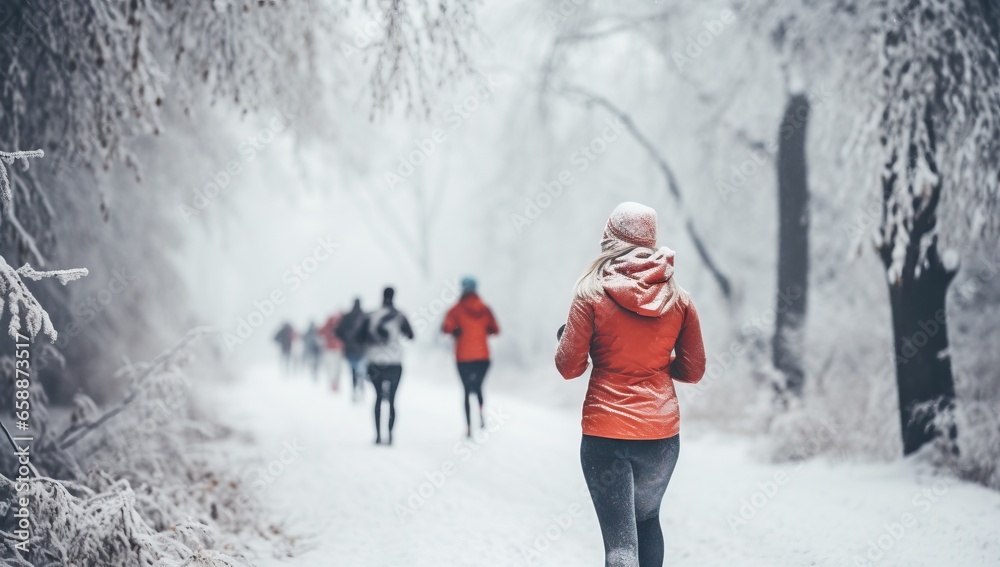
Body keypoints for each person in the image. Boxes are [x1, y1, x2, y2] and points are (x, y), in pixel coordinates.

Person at [555, 202, 706, 567]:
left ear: (611, 238)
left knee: (620, 547)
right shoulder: (679, 299)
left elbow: (569, 367)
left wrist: (568, 339)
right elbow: (694, 369)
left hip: (604, 435)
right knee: (647, 520)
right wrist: (653, 363)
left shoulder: (590, 294)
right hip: (660, 436)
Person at [442, 276, 500, 437]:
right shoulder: (485, 308)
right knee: (479, 387)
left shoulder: (455, 310)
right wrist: (483, 331)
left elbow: (445, 328)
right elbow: (495, 329)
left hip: (463, 357)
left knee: (467, 390)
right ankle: (481, 413)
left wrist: (456, 331)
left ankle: (468, 426)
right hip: (483, 357)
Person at [356, 287, 413, 445]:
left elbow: (359, 338)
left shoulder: (371, 316)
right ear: (394, 296)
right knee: (393, 400)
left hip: (374, 362)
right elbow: (411, 335)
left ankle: (378, 435)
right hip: (395, 362)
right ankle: (390, 434)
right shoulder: (400, 316)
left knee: (378, 398)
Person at [336, 298, 368, 402]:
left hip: (350, 350)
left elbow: (338, 331)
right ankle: (361, 386)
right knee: (362, 370)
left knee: (353, 371)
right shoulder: (365, 316)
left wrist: (346, 340)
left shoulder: (347, 317)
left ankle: (355, 389)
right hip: (363, 350)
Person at [319, 312, 345, 391]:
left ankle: (331, 383)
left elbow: (319, 332)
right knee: (337, 368)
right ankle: (336, 384)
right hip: (338, 349)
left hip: (329, 349)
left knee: (329, 368)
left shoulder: (327, 324)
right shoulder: (340, 324)